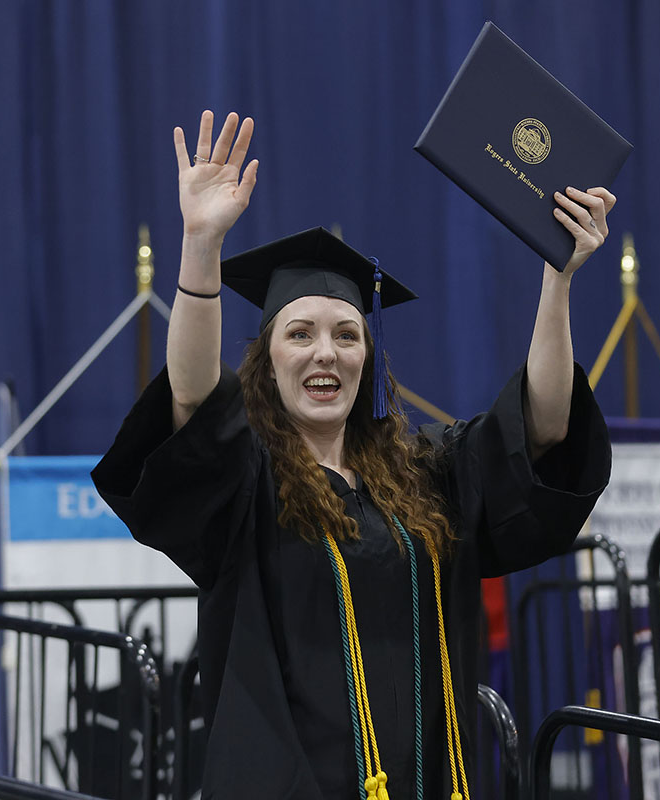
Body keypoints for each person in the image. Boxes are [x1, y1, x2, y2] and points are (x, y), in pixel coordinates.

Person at [92, 110, 614, 799]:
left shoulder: (424, 477)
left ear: (368, 360)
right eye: (299, 334)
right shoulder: (249, 484)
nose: (325, 352)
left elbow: (542, 427)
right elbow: (191, 397)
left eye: (346, 334)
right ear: (268, 363)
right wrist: (200, 244)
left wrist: (559, 279)